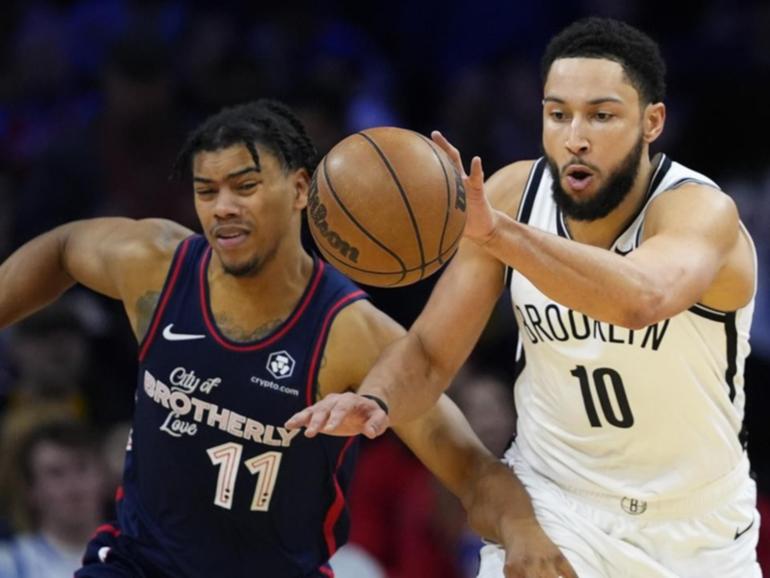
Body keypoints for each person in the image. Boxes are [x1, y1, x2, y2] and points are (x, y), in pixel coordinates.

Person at [0, 99, 570, 577]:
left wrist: (520, 528)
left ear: (300, 189)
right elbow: (64, 249)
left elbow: (468, 465)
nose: (223, 208)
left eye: (245, 186)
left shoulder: (351, 333)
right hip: (138, 564)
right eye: (206, 191)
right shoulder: (154, 266)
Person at [288, 17, 761, 578]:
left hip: (694, 529)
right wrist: (378, 400)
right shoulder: (513, 196)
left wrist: (500, 235)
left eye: (601, 115)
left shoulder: (698, 211)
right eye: (558, 113)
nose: (574, 136)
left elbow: (642, 299)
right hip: (557, 506)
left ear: (652, 121)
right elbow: (432, 352)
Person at [0, 419, 109, 578]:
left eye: (82, 467)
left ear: (103, 476)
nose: (73, 486)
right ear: (31, 490)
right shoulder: (9, 565)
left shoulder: (140, 557)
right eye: (56, 473)